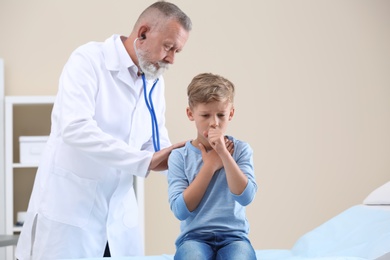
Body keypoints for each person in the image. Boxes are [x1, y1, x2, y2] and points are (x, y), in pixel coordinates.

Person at [15, 1, 192, 259]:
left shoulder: (155, 82)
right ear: (143, 33)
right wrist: (146, 160)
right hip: (70, 218)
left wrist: (190, 162)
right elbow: (75, 128)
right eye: (168, 47)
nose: (172, 59)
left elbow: (153, 141)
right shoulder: (88, 60)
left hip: (118, 222)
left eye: (177, 51)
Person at [167, 73, 258, 260]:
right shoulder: (179, 156)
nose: (214, 122)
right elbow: (180, 210)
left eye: (221, 115)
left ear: (231, 114)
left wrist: (224, 155)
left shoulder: (240, 150)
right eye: (205, 115)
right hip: (193, 238)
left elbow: (246, 197)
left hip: (234, 238)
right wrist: (210, 166)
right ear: (190, 114)